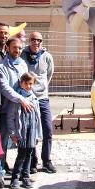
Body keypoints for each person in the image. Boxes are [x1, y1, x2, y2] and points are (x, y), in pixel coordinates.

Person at [21, 31, 56, 174]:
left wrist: (41, 89)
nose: (36, 43)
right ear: (29, 40)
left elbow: (49, 75)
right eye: (34, 40)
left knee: (48, 129)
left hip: (43, 99)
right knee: (31, 131)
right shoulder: (23, 55)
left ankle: (46, 160)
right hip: (28, 99)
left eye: (39, 40)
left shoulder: (47, 57)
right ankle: (32, 162)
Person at [0, 37, 29, 176]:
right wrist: (20, 99)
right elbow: (4, 88)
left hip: (21, 109)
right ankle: (0, 168)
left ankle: (20, 170)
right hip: (5, 108)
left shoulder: (23, 64)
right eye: (15, 47)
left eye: (20, 48)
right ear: (8, 48)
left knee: (22, 138)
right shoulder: (1, 66)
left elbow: (28, 82)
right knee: (3, 140)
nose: (17, 50)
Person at [8, 72, 42, 189]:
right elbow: (11, 117)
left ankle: (26, 176)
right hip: (21, 132)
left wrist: (38, 134)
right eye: (26, 83)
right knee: (21, 154)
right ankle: (15, 177)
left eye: (30, 84)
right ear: (21, 83)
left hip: (31, 132)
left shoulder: (35, 99)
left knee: (29, 154)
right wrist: (13, 133)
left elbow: (38, 118)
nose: (28, 86)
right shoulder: (17, 99)